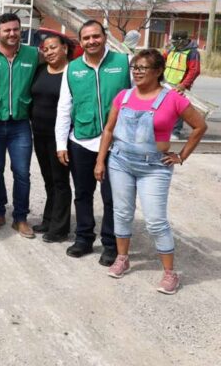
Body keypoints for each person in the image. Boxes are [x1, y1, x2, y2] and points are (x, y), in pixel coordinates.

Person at [95, 49, 207, 294]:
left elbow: (199, 126)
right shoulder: (123, 96)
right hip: (120, 162)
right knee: (122, 213)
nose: (136, 71)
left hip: (155, 167)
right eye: (134, 67)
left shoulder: (173, 99)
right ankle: (122, 258)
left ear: (158, 71)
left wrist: (182, 156)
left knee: (156, 221)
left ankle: (170, 273)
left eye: (142, 68)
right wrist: (101, 160)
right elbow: (109, 130)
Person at [56, 19, 131, 266]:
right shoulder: (73, 68)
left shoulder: (123, 63)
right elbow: (65, 107)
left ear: (105, 36)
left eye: (95, 36)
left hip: (116, 143)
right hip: (82, 141)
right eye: (86, 38)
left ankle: (110, 244)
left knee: (111, 196)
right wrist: (61, 143)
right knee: (83, 193)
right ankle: (84, 238)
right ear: (80, 41)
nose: (91, 41)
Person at [0, 13, 39, 238]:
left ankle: (21, 218)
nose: (13, 34)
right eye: (7, 30)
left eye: (16, 29)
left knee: (22, 172)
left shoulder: (33, 54)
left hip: (20, 125)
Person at [30, 34, 73, 243]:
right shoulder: (40, 70)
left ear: (64, 48)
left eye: (53, 48)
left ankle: (60, 228)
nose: (49, 52)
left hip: (61, 137)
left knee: (60, 181)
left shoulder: (73, 72)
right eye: (45, 49)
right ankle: (48, 219)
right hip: (40, 134)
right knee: (49, 180)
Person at [163, 30, 201, 140]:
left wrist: (184, 85)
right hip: (167, 83)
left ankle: (175, 131)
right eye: (173, 42)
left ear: (183, 41)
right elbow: (162, 58)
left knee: (177, 108)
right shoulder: (172, 49)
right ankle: (165, 129)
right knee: (165, 107)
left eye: (176, 42)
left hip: (180, 85)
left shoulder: (192, 53)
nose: (173, 44)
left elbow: (194, 70)